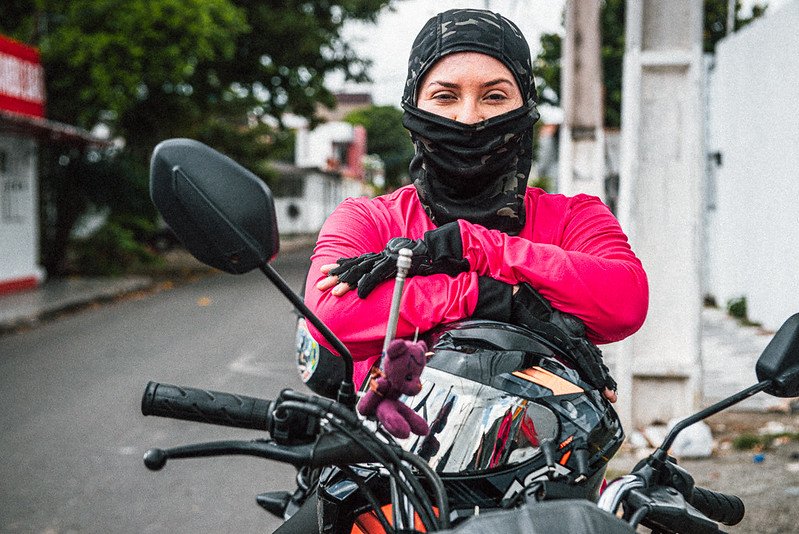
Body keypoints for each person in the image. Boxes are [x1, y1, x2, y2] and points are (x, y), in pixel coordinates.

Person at [303, 8, 648, 403]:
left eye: (495, 96)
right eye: (445, 96)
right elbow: (329, 316)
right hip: (394, 440)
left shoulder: (573, 218)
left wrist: (470, 246)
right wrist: (490, 297)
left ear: (526, 107)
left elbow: (626, 303)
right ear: (413, 107)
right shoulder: (368, 219)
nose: (468, 118)